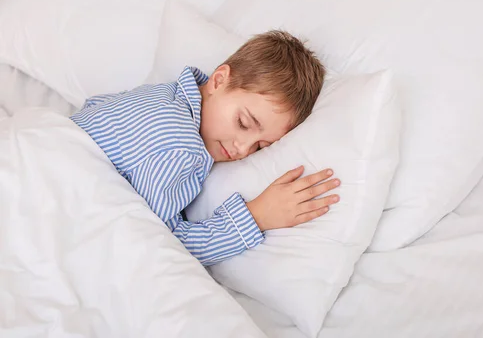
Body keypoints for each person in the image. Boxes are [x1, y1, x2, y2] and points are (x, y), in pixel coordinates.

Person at [70, 30, 339, 266]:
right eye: (243, 123)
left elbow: (93, 107)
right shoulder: (182, 148)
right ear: (219, 80)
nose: (243, 149)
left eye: (261, 146)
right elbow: (153, 243)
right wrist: (256, 217)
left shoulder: (160, 94)